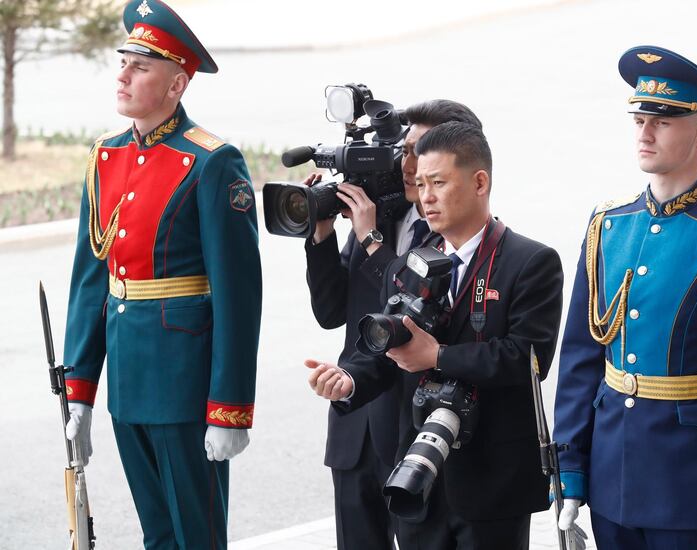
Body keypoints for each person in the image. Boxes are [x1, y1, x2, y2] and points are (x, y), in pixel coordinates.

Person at [553, 45, 697, 550]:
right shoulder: (608, 225)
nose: (644, 132)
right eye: (639, 118)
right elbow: (580, 358)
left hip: (691, 485)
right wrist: (569, 469)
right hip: (611, 479)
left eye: (664, 120)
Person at [306, 121, 564, 549]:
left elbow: (527, 359)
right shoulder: (409, 262)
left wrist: (439, 356)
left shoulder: (531, 261)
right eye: (421, 183)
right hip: (418, 477)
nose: (426, 196)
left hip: (493, 481)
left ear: (480, 182)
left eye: (439, 182)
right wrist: (348, 380)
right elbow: (388, 348)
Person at [61, 1, 262, 548]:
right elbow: (90, 282)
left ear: (177, 85)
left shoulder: (211, 161)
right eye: (123, 62)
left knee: (196, 537)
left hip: (184, 383)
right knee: (158, 537)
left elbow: (238, 297)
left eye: (140, 66)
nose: (122, 76)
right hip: (128, 381)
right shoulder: (106, 157)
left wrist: (230, 409)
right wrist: (79, 390)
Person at [304, 100, 482, 549]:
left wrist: (370, 242)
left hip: (414, 430)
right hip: (353, 425)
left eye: (421, 153)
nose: (407, 165)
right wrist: (322, 232)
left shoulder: (460, 236)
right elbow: (330, 312)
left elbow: (413, 309)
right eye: (403, 151)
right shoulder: (382, 217)